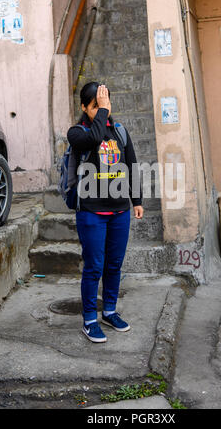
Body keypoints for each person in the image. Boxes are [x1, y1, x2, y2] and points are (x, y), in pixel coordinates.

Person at [67, 82, 144, 343]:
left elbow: (131, 164)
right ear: (84, 108)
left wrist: (137, 200)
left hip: (120, 211)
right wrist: (102, 113)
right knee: (94, 266)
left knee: (114, 263)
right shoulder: (77, 133)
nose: (104, 109)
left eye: (106, 104)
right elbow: (94, 138)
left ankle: (109, 311)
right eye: (96, 105)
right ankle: (89, 320)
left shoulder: (119, 131)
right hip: (91, 211)